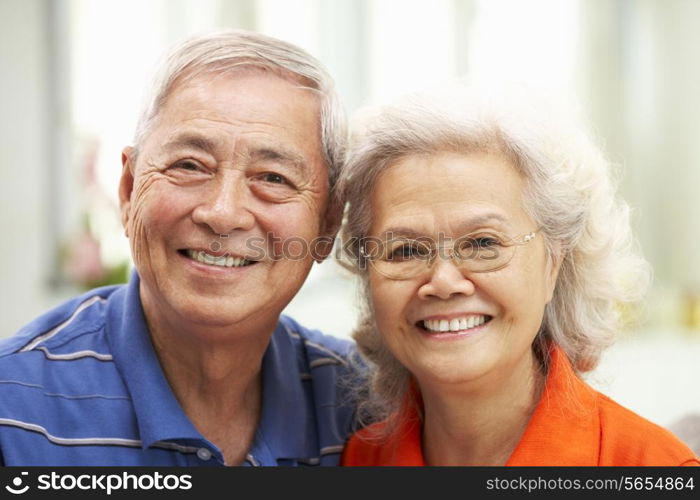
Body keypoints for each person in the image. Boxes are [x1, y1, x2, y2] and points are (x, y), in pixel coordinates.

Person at [0, 29, 360, 466]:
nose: (223, 213)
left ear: (326, 225)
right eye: (189, 166)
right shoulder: (12, 411)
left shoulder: (359, 408)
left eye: (272, 178)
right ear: (130, 190)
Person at [337, 83, 700, 466]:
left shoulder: (652, 465)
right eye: (406, 250)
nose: (443, 282)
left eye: (481, 244)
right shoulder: (357, 460)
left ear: (553, 263)